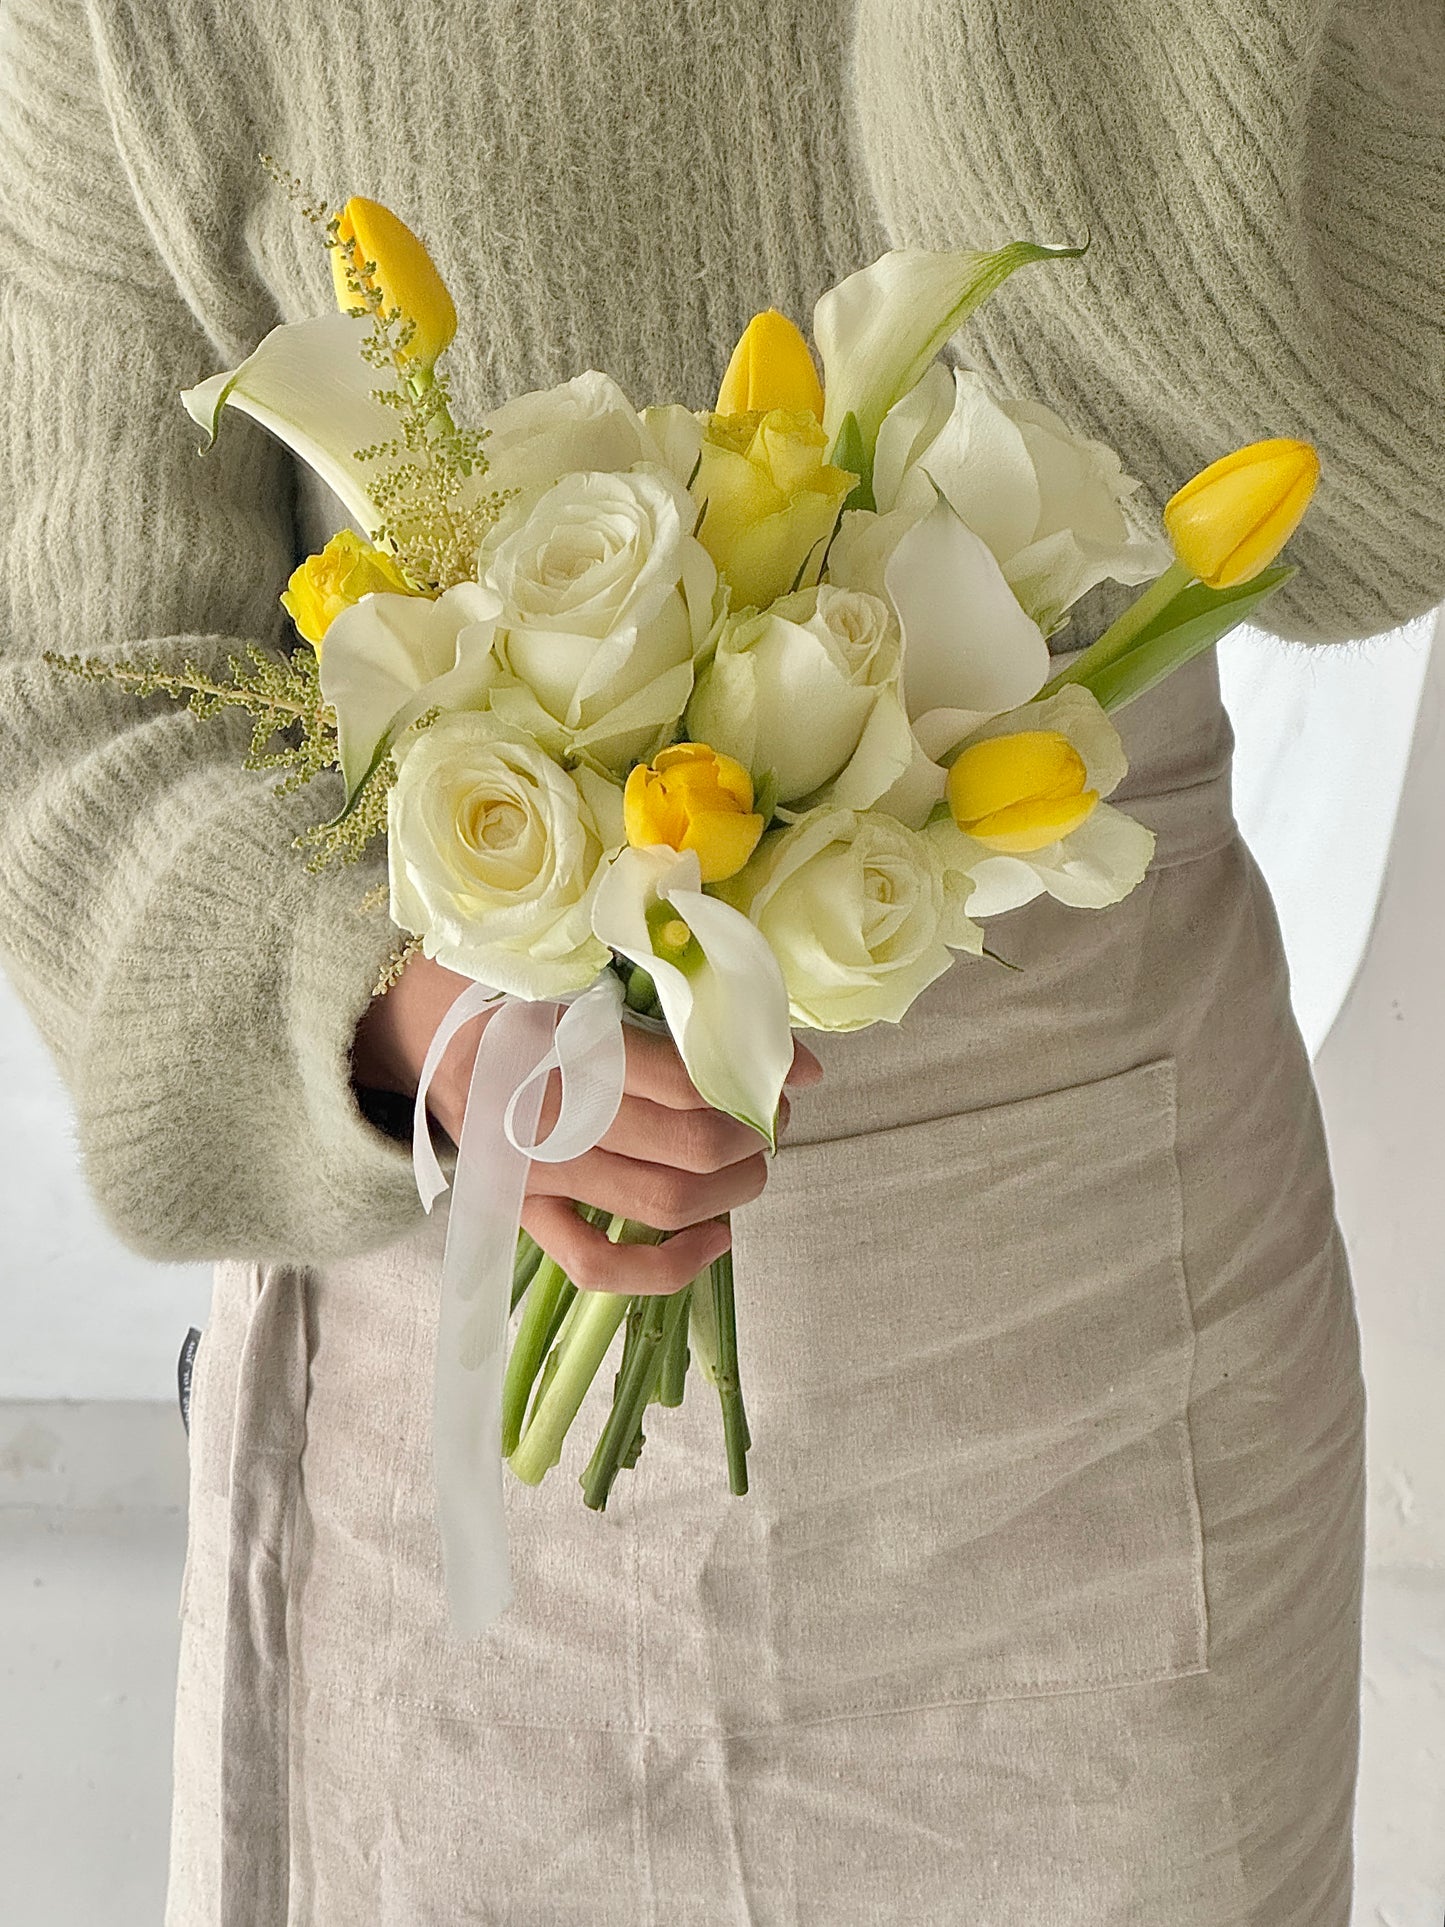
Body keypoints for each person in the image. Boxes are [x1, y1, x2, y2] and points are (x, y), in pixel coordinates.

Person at [1, 1, 1440, 1921]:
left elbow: (1379, 477)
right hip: (457, 1378)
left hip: (1095, 1372)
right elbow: (72, 691)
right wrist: (400, 1006)